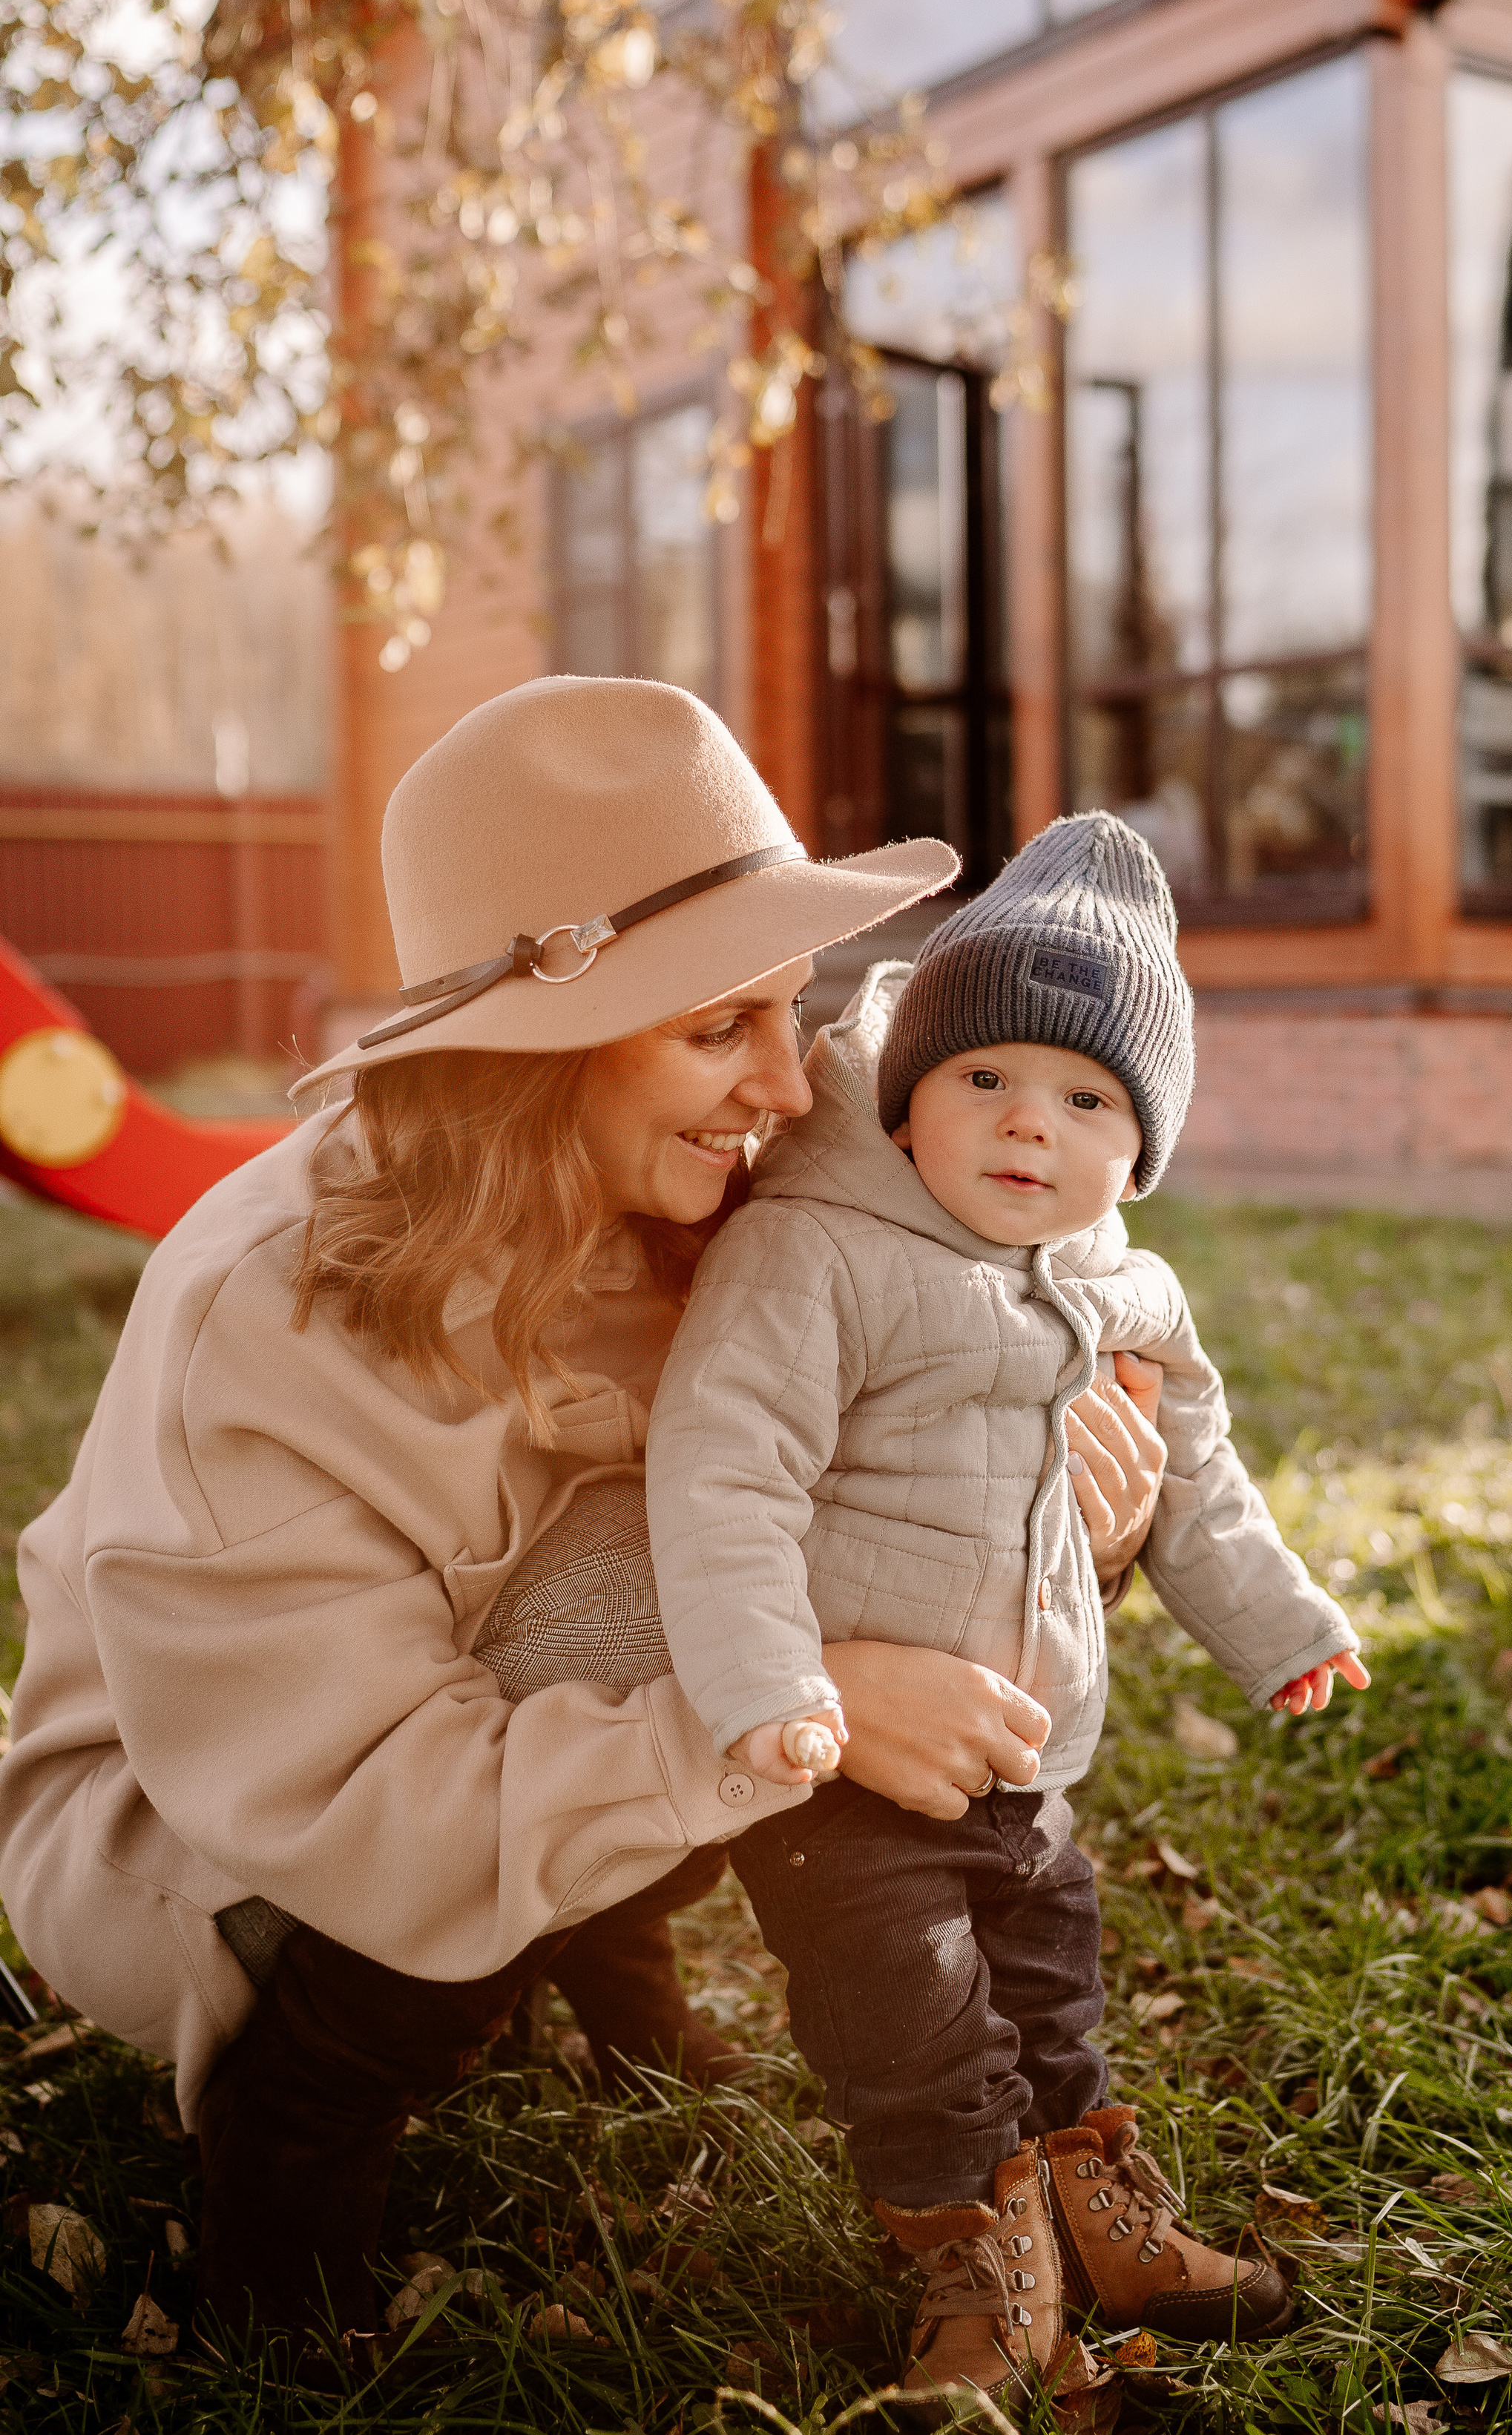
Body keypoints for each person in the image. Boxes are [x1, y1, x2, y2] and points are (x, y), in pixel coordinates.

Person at [0, 680, 1159, 2344]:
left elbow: (950, 1393)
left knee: (864, 1516)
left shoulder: (715, 1181)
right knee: (647, 1608)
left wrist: (1078, 1513)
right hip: (217, 1829)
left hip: (500, 1715)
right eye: (717, 1030)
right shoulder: (266, 1322)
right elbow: (362, 1788)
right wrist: (802, 1708)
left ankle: (609, 1972)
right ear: (528, 1056)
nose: (791, 1081)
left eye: (794, 1008)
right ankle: (295, 2134)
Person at [630, 812, 1372, 2408]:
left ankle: (1097, 2218)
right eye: (984, 1079)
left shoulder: (1126, 1290)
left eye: (1085, 1098)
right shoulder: (813, 1255)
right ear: (908, 1100)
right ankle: (972, 2265)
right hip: (847, 1767)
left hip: (1031, 1752)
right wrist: (768, 1681)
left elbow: (1195, 1479)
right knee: (913, 2027)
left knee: (1048, 1993)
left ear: (1139, 1147)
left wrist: (1282, 1629)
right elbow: (720, 1473)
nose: (1027, 1124)